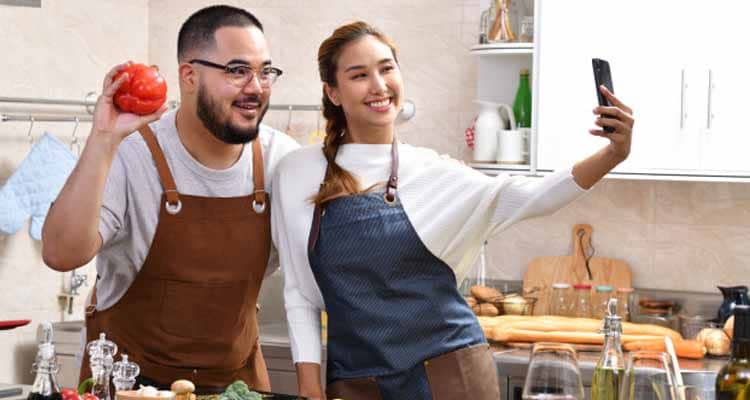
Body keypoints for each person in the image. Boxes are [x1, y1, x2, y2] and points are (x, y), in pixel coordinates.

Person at [272, 21, 635, 400]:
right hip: (356, 381)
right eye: (359, 75)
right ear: (332, 92)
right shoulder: (296, 173)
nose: (379, 86)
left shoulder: (434, 172)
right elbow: (299, 293)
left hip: (452, 375)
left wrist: (613, 154)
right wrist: (309, 390)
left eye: (386, 68)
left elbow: (534, 196)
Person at [41, 5, 298, 392]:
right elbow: (61, 253)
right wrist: (103, 140)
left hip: (234, 387)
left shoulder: (283, 160)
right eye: (237, 71)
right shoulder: (131, 152)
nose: (256, 87)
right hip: (128, 386)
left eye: (265, 72)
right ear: (189, 76)